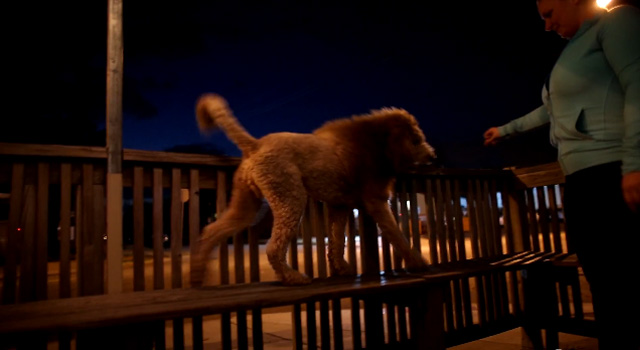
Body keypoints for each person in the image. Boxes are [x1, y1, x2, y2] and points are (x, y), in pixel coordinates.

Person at [483, 1, 640, 348]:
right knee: (605, 284)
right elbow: (550, 109)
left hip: (611, 173)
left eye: (549, 14)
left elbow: (638, 84)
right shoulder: (575, 49)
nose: (547, 26)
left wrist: (634, 165)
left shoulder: (615, 23)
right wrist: (505, 130)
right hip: (582, 180)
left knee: (623, 284)